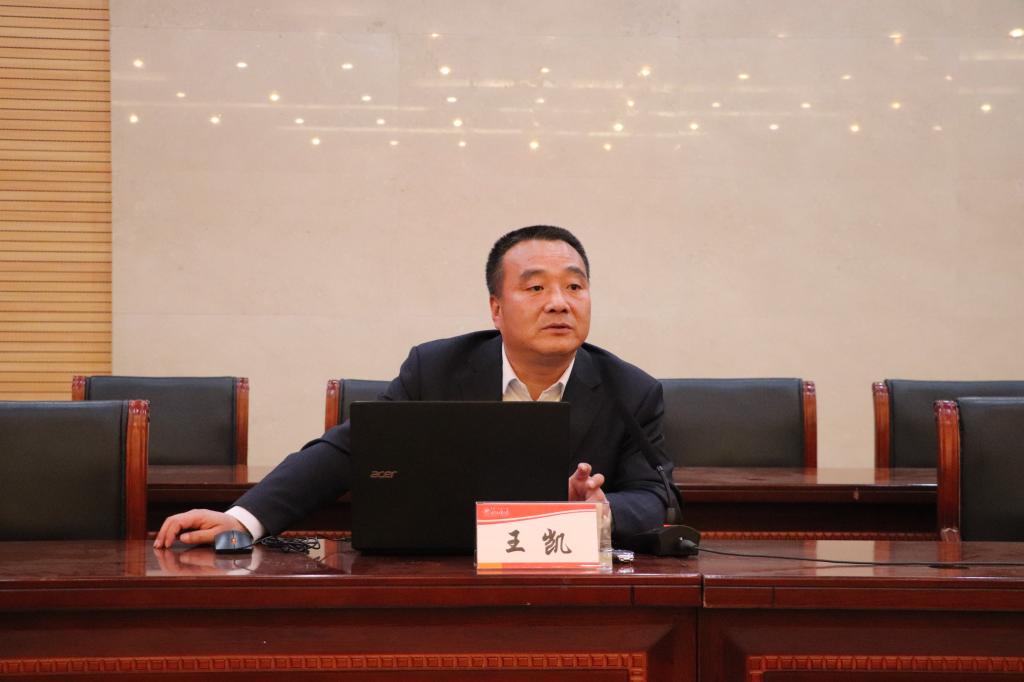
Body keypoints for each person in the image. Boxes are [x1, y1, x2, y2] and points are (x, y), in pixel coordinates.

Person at [155, 225, 671, 549]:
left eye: (575, 286)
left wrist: (599, 511)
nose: (559, 302)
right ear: (496, 309)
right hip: (444, 567)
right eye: (536, 287)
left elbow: (654, 495)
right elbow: (349, 451)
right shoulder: (438, 368)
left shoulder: (630, 390)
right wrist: (243, 519)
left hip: (563, 580)